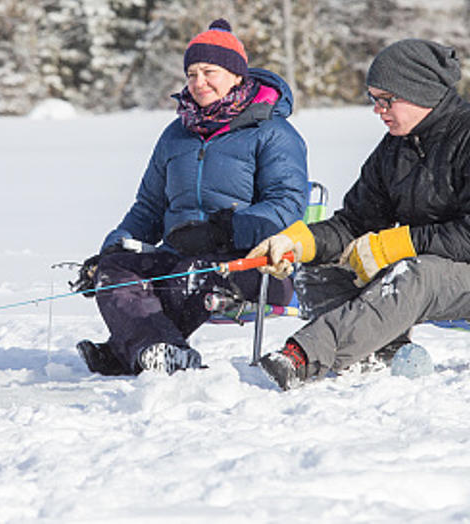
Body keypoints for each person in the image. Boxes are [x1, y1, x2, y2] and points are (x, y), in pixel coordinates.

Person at [248, 38, 470, 390]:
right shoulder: (396, 147)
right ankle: (382, 354)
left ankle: (303, 356)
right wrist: (300, 242)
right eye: (374, 99)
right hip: (434, 268)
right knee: (321, 271)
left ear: (420, 91)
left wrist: (396, 244)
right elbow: (356, 221)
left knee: (412, 273)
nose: (378, 110)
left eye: (387, 99)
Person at [75, 19, 308, 376]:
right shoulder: (175, 135)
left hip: (254, 264)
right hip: (180, 254)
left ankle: (132, 351)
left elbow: (287, 207)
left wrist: (223, 231)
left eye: (209, 71)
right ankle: (153, 350)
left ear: (235, 74)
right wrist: (112, 248)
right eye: (191, 74)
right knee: (115, 272)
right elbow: (149, 207)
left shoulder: (273, 132)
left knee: (191, 273)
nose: (199, 83)